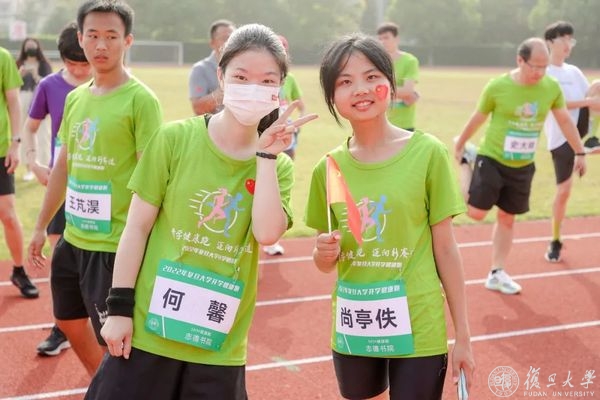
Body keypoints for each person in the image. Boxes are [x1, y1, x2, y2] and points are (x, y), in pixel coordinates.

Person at [83, 23, 316, 400]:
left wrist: (266, 157)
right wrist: (119, 308)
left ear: (279, 88)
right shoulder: (174, 139)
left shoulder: (278, 167)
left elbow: (267, 234)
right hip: (149, 331)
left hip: (217, 344)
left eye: (266, 81)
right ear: (221, 76)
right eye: (241, 77)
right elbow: (137, 227)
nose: (253, 88)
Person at [306, 34, 474, 400]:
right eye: (345, 82)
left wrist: (463, 335)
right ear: (332, 97)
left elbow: (446, 249)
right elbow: (324, 261)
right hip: (356, 322)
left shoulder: (427, 153)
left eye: (371, 77)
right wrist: (323, 253)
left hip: (418, 322)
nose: (360, 89)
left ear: (390, 83)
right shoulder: (328, 168)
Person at [27, 0, 163, 376]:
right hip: (73, 238)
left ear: (127, 41)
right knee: (68, 320)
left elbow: (152, 178)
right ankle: (99, 384)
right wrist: (40, 225)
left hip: (114, 245)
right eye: (93, 35)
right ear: (80, 38)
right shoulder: (76, 98)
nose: (101, 45)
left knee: (115, 341)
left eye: (111, 36)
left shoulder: (140, 100)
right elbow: (63, 165)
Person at [454, 38, 587, 295]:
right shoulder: (498, 86)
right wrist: (460, 144)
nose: (539, 72)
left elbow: (564, 121)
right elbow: (478, 117)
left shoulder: (550, 88)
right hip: (492, 158)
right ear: (520, 60)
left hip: (523, 164)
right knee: (476, 213)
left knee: (507, 217)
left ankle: (497, 272)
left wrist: (579, 151)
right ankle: (466, 162)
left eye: (544, 67)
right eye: (534, 66)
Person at [24, 22, 93, 356]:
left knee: (96, 263)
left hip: (101, 189)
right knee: (61, 257)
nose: (79, 70)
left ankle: (99, 323)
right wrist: (33, 162)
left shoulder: (106, 87)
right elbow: (31, 126)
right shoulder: (50, 85)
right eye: (72, 63)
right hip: (62, 183)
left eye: (84, 64)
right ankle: (62, 327)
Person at [542, 21, 600, 262]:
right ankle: (555, 239)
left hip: (581, 131)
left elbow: (591, 98)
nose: (568, 44)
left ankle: (593, 138)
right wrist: (589, 102)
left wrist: (594, 99)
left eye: (571, 40)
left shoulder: (574, 72)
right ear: (550, 42)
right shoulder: (545, 73)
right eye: (563, 39)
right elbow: (557, 105)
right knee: (564, 191)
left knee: (597, 86)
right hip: (561, 139)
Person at [262, 34, 308, 257]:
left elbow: (300, 105)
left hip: (286, 136)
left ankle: (272, 240)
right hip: (263, 136)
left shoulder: (290, 80)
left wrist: (298, 124)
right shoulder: (262, 76)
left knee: (280, 181)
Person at [1, 46, 39, 299]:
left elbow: (14, 103)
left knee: (8, 213)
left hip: (0, 150)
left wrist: (15, 143)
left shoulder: (3, 57)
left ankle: (18, 270)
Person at [16, 37, 52, 181]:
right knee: (25, 133)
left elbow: (48, 84)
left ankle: (44, 165)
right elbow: (12, 86)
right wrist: (19, 75)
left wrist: (36, 74)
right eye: (28, 46)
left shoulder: (44, 65)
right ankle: (29, 168)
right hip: (22, 98)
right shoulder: (18, 64)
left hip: (40, 99)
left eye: (32, 46)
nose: (30, 49)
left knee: (43, 134)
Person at [376, 22, 419, 131]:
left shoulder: (409, 61)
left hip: (404, 123)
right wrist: (401, 94)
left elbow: (407, 91)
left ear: (397, 39)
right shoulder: (375, 62)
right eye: (380, 39)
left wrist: (380, 91)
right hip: (379, 122)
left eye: (386, 37)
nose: (382, 41)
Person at [188, 19, 235, 115]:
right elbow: (198, 108)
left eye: (234, 38)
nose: (230, 42)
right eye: (225, 38)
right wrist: (225, 91)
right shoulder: (200, 69)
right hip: (213, 124)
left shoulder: (247, 68)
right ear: (212, 43)